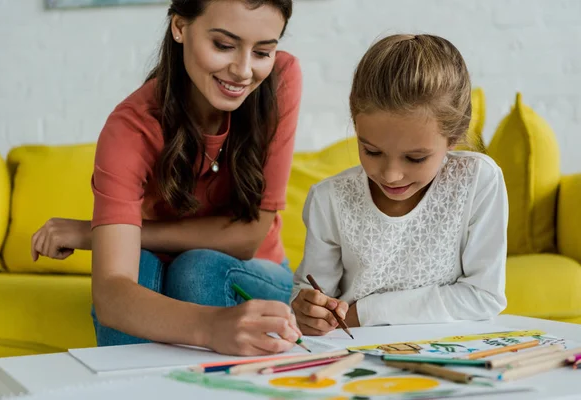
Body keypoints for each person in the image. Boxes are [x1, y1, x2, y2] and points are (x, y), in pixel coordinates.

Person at [30, 0, 304, 356]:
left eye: (263, 52)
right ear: (180, 27)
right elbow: (112, 293)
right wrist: (210, 326)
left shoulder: (282, 80)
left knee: (199, 268)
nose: (243, 70)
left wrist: (90, 234)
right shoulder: (131, 128)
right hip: (161, 263)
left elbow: (248, 237)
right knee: (139, 270)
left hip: (254, 269)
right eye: (223, 45)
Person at [290, 34, 508, 336]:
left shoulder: (477, 182)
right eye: (372, 151)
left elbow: (484, 296)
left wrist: (362, 313)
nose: (391, 175)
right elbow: (313, 296)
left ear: (454, 138)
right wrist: (307, 310)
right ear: (356, 126)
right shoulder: (330, 199)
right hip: (351, 351)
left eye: (415, 158)